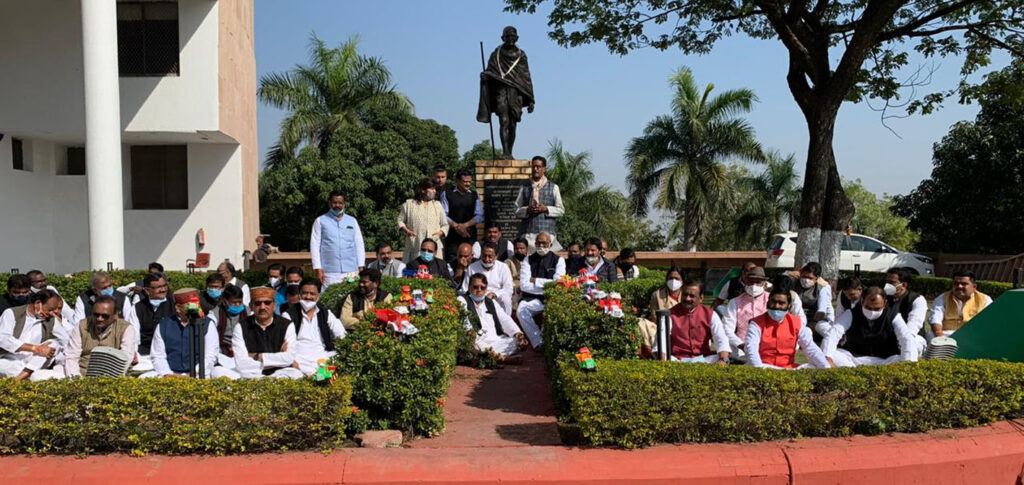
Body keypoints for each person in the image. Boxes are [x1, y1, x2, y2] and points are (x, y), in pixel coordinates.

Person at [477, 26, 535, 159]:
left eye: (513, 37)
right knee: (504, 121)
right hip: (500, 91)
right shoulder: (496, 54)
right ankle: (505, 152)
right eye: (507, 36)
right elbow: (490, 71)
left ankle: (510, 152)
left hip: (515, 93)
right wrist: (485, 76)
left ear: (517, 38)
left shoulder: (521, 55)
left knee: (513, 124)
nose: (510, 39)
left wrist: (531, 99)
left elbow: (526, 78)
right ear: (502, 38)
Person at [822, 287, 918, 367]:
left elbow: (906, 338)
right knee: (830, 355)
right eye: (868, 308)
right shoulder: (851, 313)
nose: (872, 312)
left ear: (884, 303)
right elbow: (833, 333)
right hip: (853, 360)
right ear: (862, 301)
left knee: (904, 357)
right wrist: (828, 358)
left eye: (877, 309)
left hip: (886, 361)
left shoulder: (893, 316)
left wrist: (908, 364)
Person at [745, 288, 832, 369]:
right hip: (764, 367)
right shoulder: (756, 323)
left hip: (789, 369)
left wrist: (826, 368)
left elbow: (810, 348)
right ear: (767, 302)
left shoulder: (796, 323)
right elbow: (751, 349)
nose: (776, 306)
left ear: (789, 306)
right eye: (773, 302)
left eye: (781, 303)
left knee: (814, 367)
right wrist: (759, 369)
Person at [226, 287, 302, 379]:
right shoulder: (241, 326)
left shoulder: (286, 325)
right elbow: (241, 364)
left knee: (296, 374)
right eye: (257, 303)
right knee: (217, 371)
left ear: (274, 305)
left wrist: (256, 356)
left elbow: (289, 358)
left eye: (267, 303)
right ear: (251, 306)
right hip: (251, 374)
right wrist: (278, 360)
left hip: (279, 372)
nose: (262, 307)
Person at [141, 288, 218, 379]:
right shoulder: (163, 325)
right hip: (170, 374)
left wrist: (195, 372)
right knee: (144, 377)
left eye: (196, 303)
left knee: (219, 373)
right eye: (189, 304)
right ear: (178, 308)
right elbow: (157, 355)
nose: (194, 307)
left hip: (199, 374)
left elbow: (211, 355)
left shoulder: (207, 324)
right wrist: (168, 374)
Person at [282, 278, 346, 376]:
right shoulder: (288, 315)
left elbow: (342, 335)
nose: (308, 297)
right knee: (292, 373)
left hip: (323, 357)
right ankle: (317, 376)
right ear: (299, 295)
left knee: (339, 358)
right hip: (300, 359)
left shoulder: (325, 313)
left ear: (318, 296)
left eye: (312, 294)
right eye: (305, 293)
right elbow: (284, 344)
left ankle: (321, 376)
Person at [0, 289, 69, 380]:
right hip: (8, 359)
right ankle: (30, 376)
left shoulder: (51, 319)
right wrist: (35, 348)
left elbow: (65, 340)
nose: (53, 313)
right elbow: (3, 339)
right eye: (50, 309)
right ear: (37, 303)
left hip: (35, 360)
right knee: (40, 375)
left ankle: (21, 377)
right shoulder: (12, 313)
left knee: (54, 343)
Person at [460, 274, 529, 364]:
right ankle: (503, 359)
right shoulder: (462, 300)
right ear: (469, 288)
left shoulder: (490, 302)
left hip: (497, 341)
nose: (479, 290)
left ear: (486, 289)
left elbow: (505, 319)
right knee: (475, 346)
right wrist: (470, 333)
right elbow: (465, 322)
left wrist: (518, 334)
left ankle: (494, 357)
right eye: (475, 287)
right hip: (478, 341)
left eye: (482, 287)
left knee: (516, 342)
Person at [660, 278, 730, 364]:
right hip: (678, 360)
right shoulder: (670, 314)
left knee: (721, 358)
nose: (687, 298)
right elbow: (661, 340)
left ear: (701, 298)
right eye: (685, 295)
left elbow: (721, 338)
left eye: (692, 296)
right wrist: (663, 361)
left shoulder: (710, 314)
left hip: (704, 359)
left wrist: (723, 359)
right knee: (665, 358)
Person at [65, 296, 136, 377]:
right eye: (96, 315)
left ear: (115, 315)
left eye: (105, 316)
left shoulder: (126, 328)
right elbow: (72, 356)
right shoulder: (82, 325)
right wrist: (76, 379)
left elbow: (126, 357)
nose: (99, 319)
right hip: (83, 371)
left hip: (113, 374)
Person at [517, 232, 566, 349]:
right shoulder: (528, 260)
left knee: (552, 310)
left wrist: (535, 280)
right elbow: (524, 285)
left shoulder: (558, 260)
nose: (541, 246)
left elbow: (558, 283)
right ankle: (538, 342)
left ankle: (545, 340)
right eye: (538, 243)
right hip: (532, 298)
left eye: (544, 243)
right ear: (535, 244)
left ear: (550, 245)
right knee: (521, 310)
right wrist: (547, 285)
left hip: (551, 298)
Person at [311, 190, 367, 287]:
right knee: (330, 295)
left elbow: (359, 244)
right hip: (329, 271)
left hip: (351, 270)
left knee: (350, 295)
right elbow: (314, 245)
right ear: (329, 203)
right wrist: (318, 268)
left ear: (344, 204)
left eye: (340, 203)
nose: (337, 205)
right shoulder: (320, 221)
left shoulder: (352, 221)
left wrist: (361, 266)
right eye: (334, 202)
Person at [123, 272, 174, 373]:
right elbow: (134, 335)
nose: (163, 290)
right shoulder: (137, 308)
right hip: (146, 355)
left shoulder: (175, 305)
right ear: (147, 290)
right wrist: (134, 353)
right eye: (158, 287)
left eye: (164, 286)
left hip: (170, 354)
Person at [514, 155, 564, 250]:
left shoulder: (553, 187)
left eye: (538, 167)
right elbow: (516, 210)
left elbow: (561, 210)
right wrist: (527, 210)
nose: (535, 169)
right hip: (528, 236)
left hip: (547, 236)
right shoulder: (524, 187)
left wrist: (546, 209)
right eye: (533, 167)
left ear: (544, 169)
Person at [722, 266, 769, 361]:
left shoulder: (771, 301)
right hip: (741, 350)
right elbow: (726, 328)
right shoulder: (735, 302)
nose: (754, 286)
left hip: (767, 349)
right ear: (745, 282)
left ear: (764, 284)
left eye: (758, 282)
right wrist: (741, 345)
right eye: (750, 282)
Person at [637, 266, 686, 355]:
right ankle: (656, 352)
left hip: (682, 329)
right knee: (640, 322)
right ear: (666, 280)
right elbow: (654, 317)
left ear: (682, 281)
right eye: (671, 278)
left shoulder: (687, 295)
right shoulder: (657, 295)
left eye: (677, 278)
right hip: (661, 327)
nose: (673, 281)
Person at [929, 270, 992, 338]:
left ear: (974, 287)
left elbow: (989, 321)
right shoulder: (942, 298)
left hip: (973, 335)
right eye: (956, 283)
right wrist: (940, 336)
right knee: (931, 334)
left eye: (964, 284)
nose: (959, 286)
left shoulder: (984, 299)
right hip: (947, 334)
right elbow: (935, 318)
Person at [398, 179, 449, 262]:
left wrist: (439, 234)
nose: (434, 191)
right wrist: (407, 231)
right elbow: (400, 221)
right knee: (414, 268)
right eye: (432, 189)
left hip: (434, 244)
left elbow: (445, 225)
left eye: (435, 189)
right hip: (415, 244)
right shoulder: (409, 204)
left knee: (434, 268)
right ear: (423, 190)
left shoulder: (437, 205)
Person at [440, 170, 482, 263]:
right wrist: (457, 226)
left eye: (469, 182)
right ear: (457, 181)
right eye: (465, 182)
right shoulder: (447, 193)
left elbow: (479, 216)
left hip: (469, 236)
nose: (468, 184)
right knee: (452, 261)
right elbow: (443, 215)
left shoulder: (474, 195)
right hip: (452, 237)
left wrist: (464, 226)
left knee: (470, 261)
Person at [884, 268, 928, 353]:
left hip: (912, 337)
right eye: (887, 282)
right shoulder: (884, 299)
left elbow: (913, 325)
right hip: (888, 337)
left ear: (903, 285)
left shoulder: (917, 299)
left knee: (909, 344)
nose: (887, 285)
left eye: (892, 282)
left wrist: (901, 339)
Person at [207, 284, 248, 373]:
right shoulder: (214, 314)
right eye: (234, 302)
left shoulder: (248, 312)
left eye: (240, 302)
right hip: (223, 353)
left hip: (245, 351)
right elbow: (211, 341)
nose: (237, 305)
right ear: (224, 301)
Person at [467, 242, 515, 314]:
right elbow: (465, 288)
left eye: (490, 256)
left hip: (496, 298)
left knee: (506, 299)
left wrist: (494, 294)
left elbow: (508, 289)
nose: (486, 259)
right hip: (477, 297)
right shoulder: (472, 267)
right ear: (481, 254)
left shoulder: (503, 267)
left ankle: (505, 320)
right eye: (484, 256)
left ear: (496, 256)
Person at [794, 262, 834, 333]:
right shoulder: (794, 283)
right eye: (804, 277)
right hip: (795, 317)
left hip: (814, 320)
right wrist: (787, 273)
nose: (806, 280)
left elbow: (823, 308)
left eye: (810, 278)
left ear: (817, 278)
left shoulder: (822, 287)